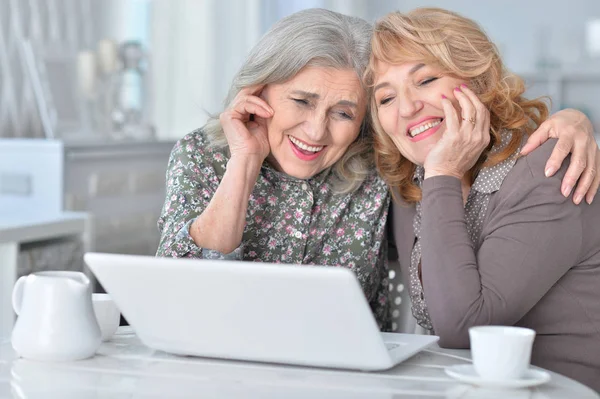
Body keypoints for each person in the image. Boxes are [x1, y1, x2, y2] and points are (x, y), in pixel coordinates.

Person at [157, 9, 599, 334]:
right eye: (302, 101)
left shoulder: (379, 166)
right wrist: (244, 163)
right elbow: (176, 291)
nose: (316, 130)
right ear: (259, 89)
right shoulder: (203, 154)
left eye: (344, 112)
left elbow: (471, 148)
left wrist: (574, 121)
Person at [367, 8, 600, 390]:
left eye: (425, 79)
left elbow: (465, 327)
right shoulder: (411, 180)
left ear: (478, 79)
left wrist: (444, 174)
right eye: (386, 98)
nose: (407, 108)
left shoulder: (548, 169)